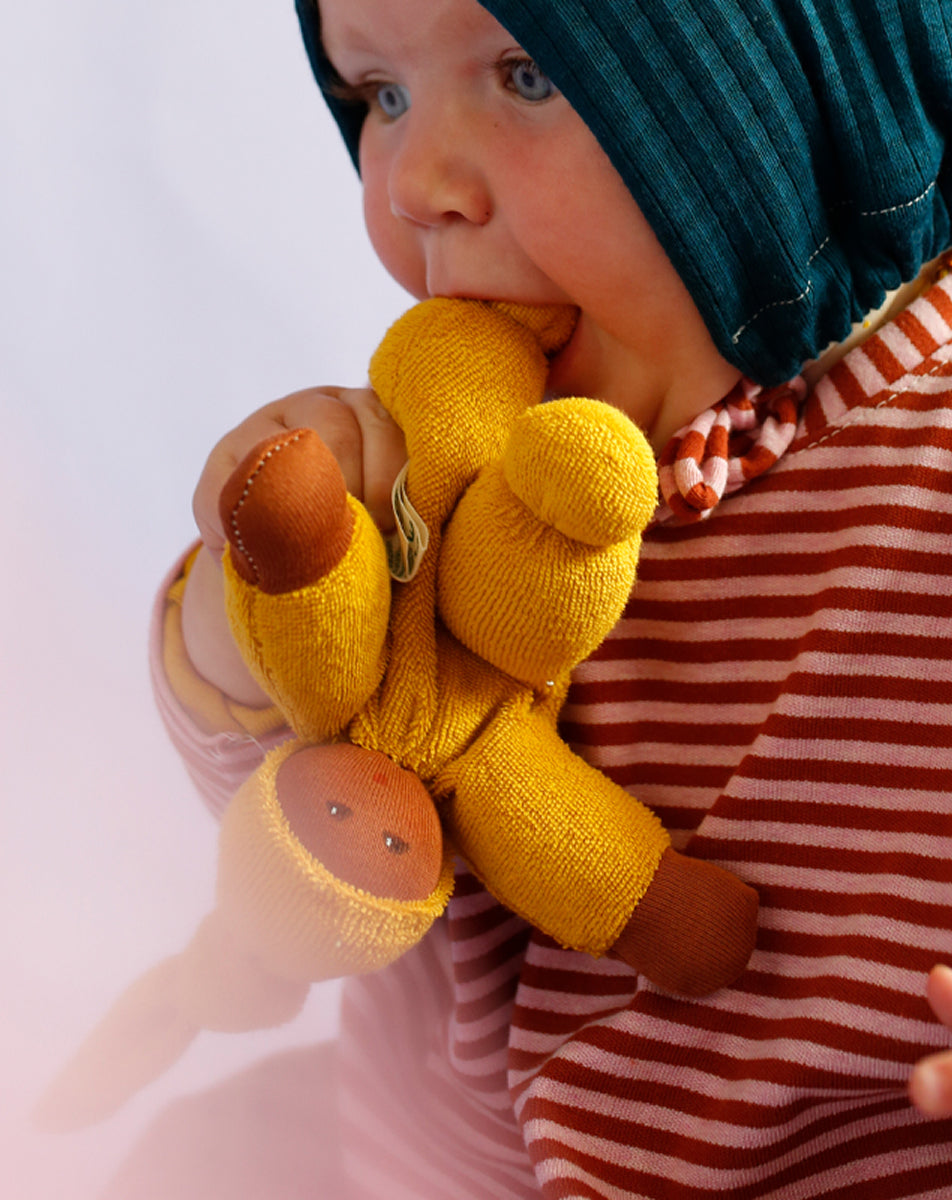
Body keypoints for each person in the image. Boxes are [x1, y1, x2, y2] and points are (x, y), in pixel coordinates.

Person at [130, 0, 952, 1195]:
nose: (417, 184)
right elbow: (318, 848)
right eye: (379, 95)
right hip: (419, 1159)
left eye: (525, 76)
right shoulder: (454, 468)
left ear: (790, 109)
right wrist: (263, 595)